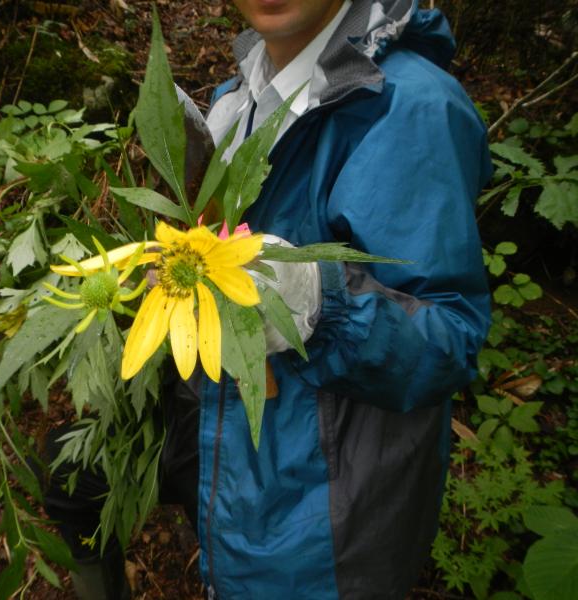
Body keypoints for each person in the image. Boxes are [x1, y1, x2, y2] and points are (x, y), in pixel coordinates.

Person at [44, 0, 492, 598]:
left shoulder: (410, 108)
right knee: (69, 472)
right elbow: (212, 251)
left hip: (323, 508)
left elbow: (449, 340)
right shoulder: (240, 95)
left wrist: (317, 303)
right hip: (224, 429)